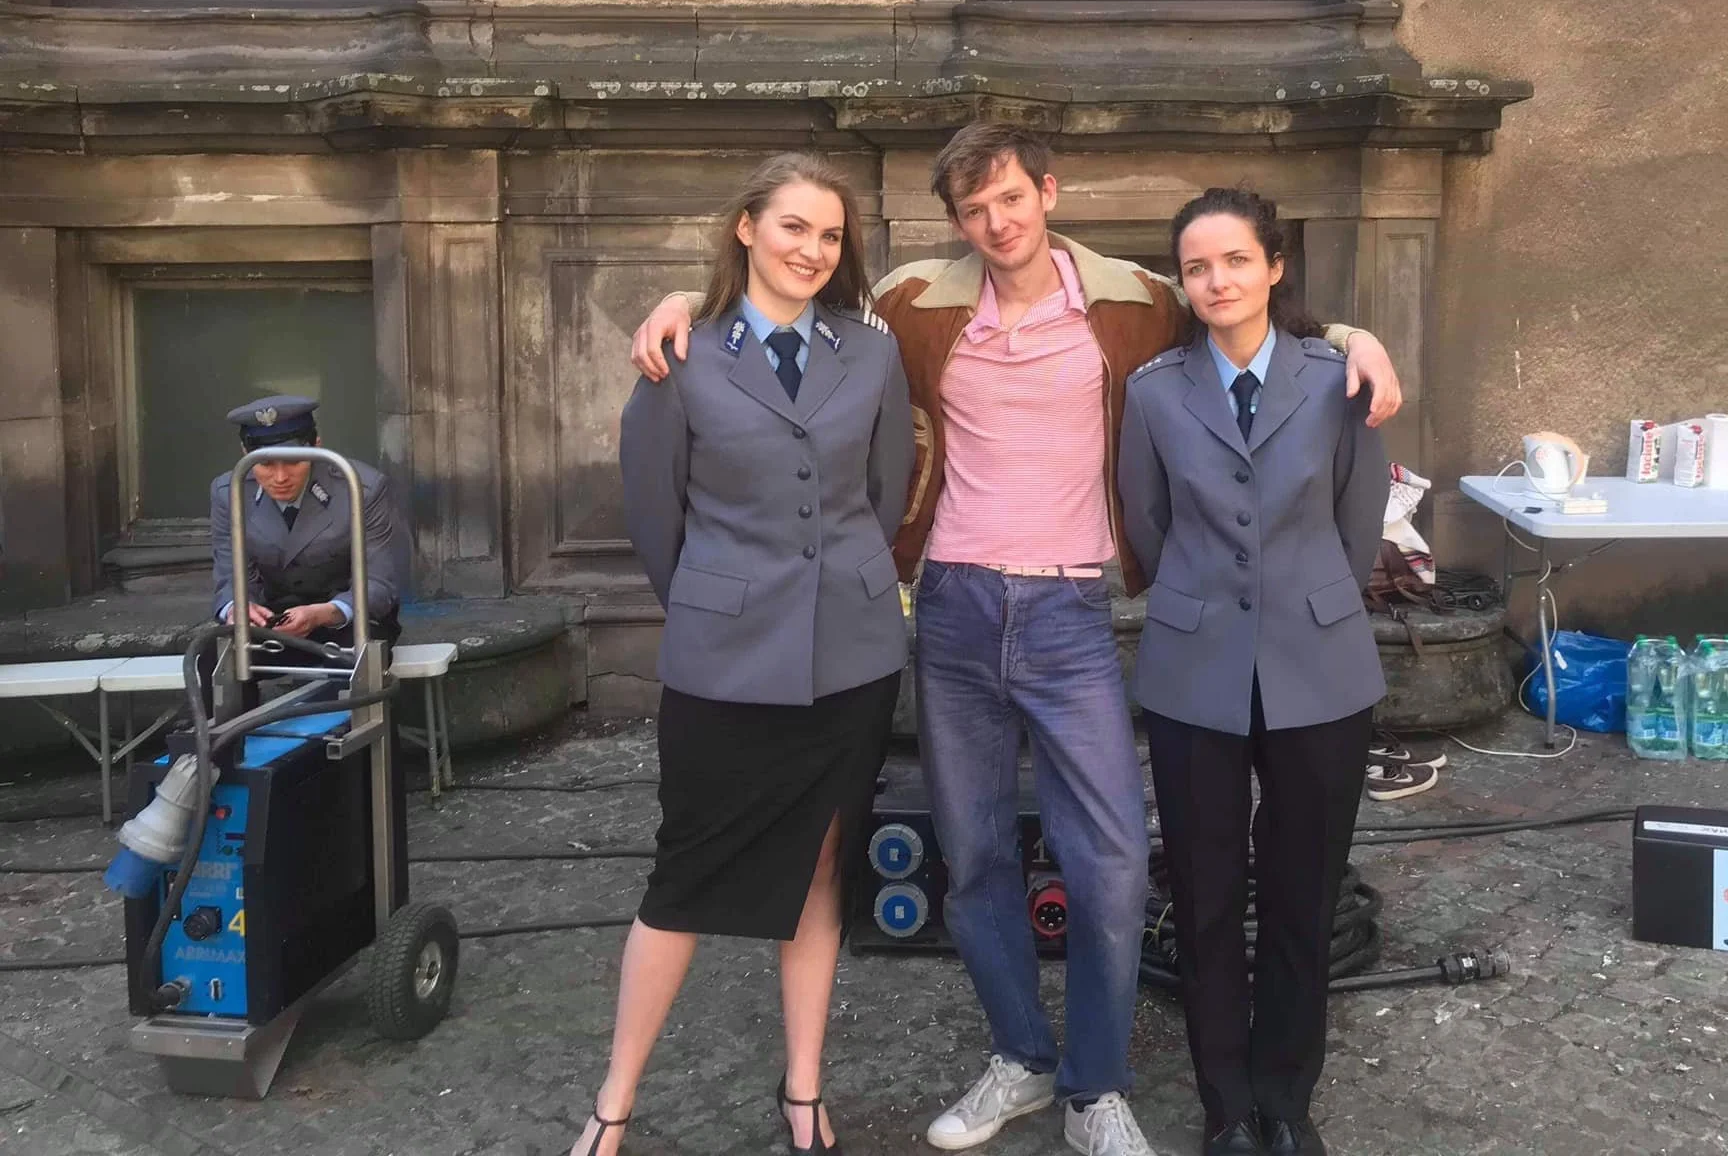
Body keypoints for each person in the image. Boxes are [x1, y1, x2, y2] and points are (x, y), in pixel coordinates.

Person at [628, 124, 1402, 1156]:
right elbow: (789, 302)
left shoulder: (1134, 299)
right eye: (972, 209)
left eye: (1010, 199)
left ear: (1048, 191)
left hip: (1069, 612)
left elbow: (1246, 306)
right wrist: (685, 301)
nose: (996, 223)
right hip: (950, 605)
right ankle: (1021, 1059)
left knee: (1114, 861)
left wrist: (1353, 336)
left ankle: (1096, 1085)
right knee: (975, 854)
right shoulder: (912, 302)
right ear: (955, 221)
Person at [573, 153, 913, 1156]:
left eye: (830, 235)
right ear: (746, 229)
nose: (812, 249)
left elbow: (885, 494)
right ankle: (615, 1099)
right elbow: (654, 518)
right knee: (683, 875)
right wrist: (729, 601)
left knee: (820, 869)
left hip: (848, 657)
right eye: (793, 227)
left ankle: (803, 1090)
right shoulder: (679, 354)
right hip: (724, 657)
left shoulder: (873, 352)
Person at [1116, 188, 1390, 1156]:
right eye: (1195, 267)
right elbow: (1144, 527)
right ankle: (1224, 1101)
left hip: (1318, 663)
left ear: (1273, 267)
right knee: (1200, 891)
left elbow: (1358, 520)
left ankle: (1285, 1094)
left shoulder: (1335, 378)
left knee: (1300, 888)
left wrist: (1306, 599)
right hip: (1194, 668)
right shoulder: (1152, 391)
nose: (1215, 281)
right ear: (1180, 282)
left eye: (1234, 260)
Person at [210, 395, 407, 646]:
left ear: (316, 447)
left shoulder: (360, 488)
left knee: (355, 660)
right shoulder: (229, 493)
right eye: (265, 464)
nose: (280, 477)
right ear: (245, 454)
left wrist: (325, 613)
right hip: (273, 619)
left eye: (293, 461)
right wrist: (236, 608)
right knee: (213, 663)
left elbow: (380, 584)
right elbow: (231, 577)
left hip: (345, 618)